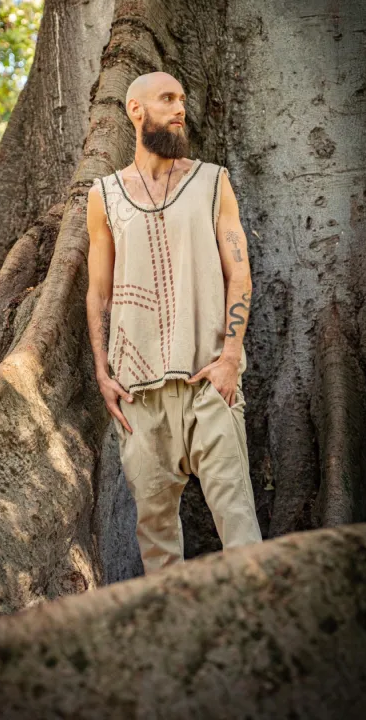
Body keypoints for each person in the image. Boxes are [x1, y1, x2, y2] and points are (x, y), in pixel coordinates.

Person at [86, 71, 263, 575]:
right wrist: (102, 372)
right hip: (138, 397)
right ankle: (177, 649)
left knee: (242, 533)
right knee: (158, 549)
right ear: (135, 110)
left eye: (182, 98)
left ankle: (264, 641)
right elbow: (98, 292)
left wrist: (231, 358)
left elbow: (240, 272)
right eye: (167, 98)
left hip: (211, 383)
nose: (179, 107)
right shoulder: (105, 195)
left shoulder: (213, 181)